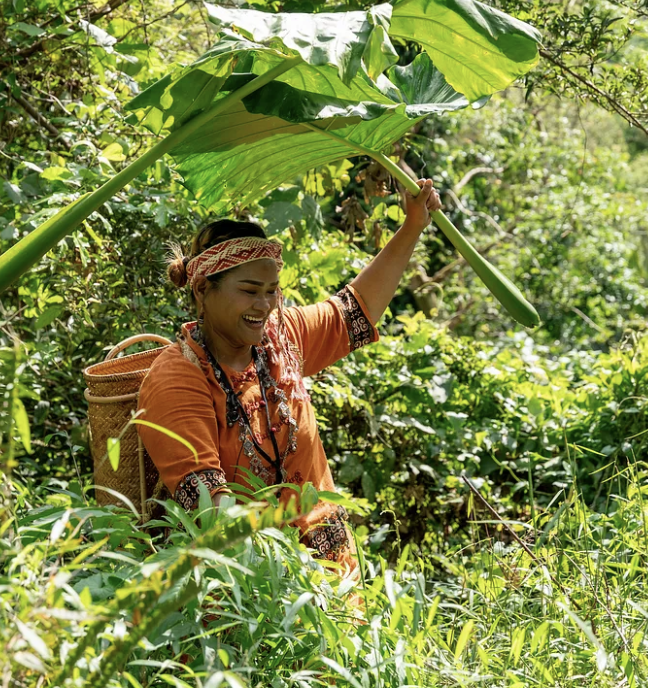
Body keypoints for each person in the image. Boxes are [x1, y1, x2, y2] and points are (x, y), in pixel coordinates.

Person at [137, 178, 442, 595]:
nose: (263, 306)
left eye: (271, 291)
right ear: (204, 290)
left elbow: (358, 308)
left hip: (333, 577)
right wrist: (293, 575)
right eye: (249, 291)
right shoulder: (177, 379)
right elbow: (208, 509)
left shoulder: (282, 337)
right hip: (248, 594)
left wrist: (412, 226)